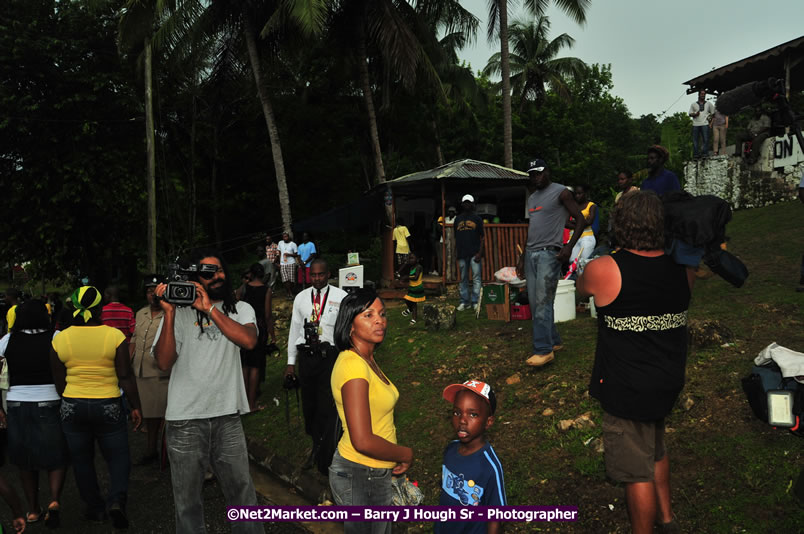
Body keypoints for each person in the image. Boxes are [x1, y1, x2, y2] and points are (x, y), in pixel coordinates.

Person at [577, 191, 694, 534]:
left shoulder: (605, 268)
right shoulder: (683, 270)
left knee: (634, 472)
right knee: (656, 449)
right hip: (666, 380)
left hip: (627, 388)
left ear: (621, 225)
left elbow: (582, 288)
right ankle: (667, 518)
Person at [152, 249, 262, 534]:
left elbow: (249, 341)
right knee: (187, 503)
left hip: (228, 416)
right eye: (209, 273)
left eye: (221, 270)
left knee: (243, 496)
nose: (218, 276)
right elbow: (163, 362)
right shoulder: (177, 312)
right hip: (185, 420)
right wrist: (170, 313)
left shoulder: (241, 308)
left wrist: (210, 309)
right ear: (195, 278)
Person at [50, 286, 142, 529]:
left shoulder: (60, 338)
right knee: (119, 457)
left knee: (81, 460)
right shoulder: (114, 336)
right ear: (101, 308)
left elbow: (59, 381)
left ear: (73, 308)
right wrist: (135, 407)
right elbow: (125, 376)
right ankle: (116, 501)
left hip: (73, 404)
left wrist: (71, 400)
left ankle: (94, 508)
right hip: (108, 404)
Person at [328, 288, 413, 534]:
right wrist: (404, 453)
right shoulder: (353, 366)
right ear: (350, 325)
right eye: (368, 314)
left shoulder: (366, 360)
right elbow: (363, 440)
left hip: (372, 471)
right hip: (360, 472)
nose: (379, 320)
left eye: (382, 314)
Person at [2, 300, 67, 528]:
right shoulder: (56, 337)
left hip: (16, 402)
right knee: (56, 454)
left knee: (24, 460)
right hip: (50, 400)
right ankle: (54, 500)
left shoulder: (7, 340)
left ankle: (32, 509)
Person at [516, 158, 584, 367]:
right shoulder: (532, 198)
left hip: (549, 254)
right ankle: (553, 341)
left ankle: (543, 351)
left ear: (547, 172)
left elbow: (580, 219)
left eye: (538, 173)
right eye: (532, 174)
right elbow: (533, 227)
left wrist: (568, 246)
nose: (535, 177)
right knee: (537, 302)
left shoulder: (561, 192)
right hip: (531, 253)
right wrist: (521, 258)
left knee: (542, 303)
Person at [284, 259, 347, 473]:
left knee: (327, 406)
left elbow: (346, 331)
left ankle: (327, 454)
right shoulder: (301, 298)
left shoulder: (341, 297)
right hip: (306, 358)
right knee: (309, 406)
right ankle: (316, 445)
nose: (317, 279)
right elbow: (294, 330)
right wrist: (290, 363)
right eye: (313, 275)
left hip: (329, 358)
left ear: (328, 274)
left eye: (321, 275)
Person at [437, 380, 505, 534]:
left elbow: (496, 516)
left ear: (488, 422)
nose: (462, 420)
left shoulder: (489, 466)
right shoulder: (450, 450)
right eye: (457, 412)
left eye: (472, 414)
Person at [129, 274, 169, 466]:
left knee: (165, 416)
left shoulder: (170, 314)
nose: (152, 295)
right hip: (141, 372)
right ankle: (151, 450)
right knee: (149, 416)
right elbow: (134, 340)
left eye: (155, 291)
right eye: (149, 291)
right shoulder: (140, 313)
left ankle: (165, 453)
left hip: (161, 374)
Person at [240, 263, 274, 412]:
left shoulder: (243, 288)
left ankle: (242, 403)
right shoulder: (266, 290)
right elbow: (267, 314)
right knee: (255, 366)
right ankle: (252, 404)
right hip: (259, 329)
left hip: (243, 328)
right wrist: (272, 334)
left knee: (244, 364)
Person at [454, 195, 484, 311]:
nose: (467, 205)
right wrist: (456, 252)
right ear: (462, 204)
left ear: (472, 204)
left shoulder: (477, 219)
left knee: (476, 278)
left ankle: (475, 301)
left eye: (469, 203)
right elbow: (456, 238)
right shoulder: (457, 219)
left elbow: (482, 238)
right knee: (463, 278)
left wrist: (479, 253)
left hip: (474, 253)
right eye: (465, 203)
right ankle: (464, 302)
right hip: (462, 253)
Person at [568, 184, 597, 264]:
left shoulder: (591, 206)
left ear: (585, 194)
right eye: (576, 194)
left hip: (587, 237)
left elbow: (589, 222)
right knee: (572, 262)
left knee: (585, 262)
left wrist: (575, 222)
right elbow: (566, 223)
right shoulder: (572, 206)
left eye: (580, 193)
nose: (577, 196)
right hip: (573, 237)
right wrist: (582, 222)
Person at [396, 252, 425, 326]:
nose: (410, 260)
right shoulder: (411, 267)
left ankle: (414, 319)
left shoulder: (419, 267)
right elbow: (409, 277)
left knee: (413, 303)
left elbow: (415, 277)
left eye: (412, 258)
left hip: (417, 287)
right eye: (409, 258)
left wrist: (406, 277)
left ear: (417, 259)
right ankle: (410, 310)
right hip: (412, 287)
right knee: (407, 300)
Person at [689, 89, 714, 159]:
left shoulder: (708, 104)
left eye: (704, 94)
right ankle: (696, 155)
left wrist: (710, 123)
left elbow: (713, 113)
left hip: (705, 124)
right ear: (698, 95)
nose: (703, 95)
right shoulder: (693, 104)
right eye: (702, 94)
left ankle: (704, 154)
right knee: (695, 140)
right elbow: (690, 114)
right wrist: (695, 114)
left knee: (706, 139)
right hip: (695, 124)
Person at [277, 232, 298, 299]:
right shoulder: (280, 243)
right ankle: (289, 293)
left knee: (291, 280)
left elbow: (296, 254)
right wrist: (280, 261)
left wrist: (289, 255)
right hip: (283, 264)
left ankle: (290, 292)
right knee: (285, 279)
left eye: (286, 236)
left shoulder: (293, 244)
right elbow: (279, 252)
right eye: (284, 237)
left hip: (291, 263)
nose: (285, 238)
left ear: (288, 237)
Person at [444, 207, 457, 282]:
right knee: (447, 258)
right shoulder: (446, 219)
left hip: (453, 239)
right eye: (449, 212)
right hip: (447, 239)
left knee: (453, 257)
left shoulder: (456, 219)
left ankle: (453, 276)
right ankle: (448, 276)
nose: (451, 213)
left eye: (452, 212)